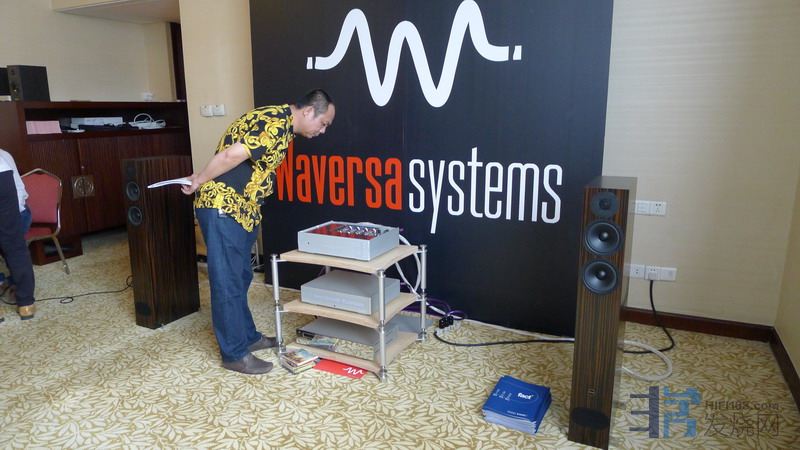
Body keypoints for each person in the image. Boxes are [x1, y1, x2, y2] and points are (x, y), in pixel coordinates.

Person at [182, 89, 335, 374]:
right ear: (308, 111)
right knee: (227, 280)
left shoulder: (279, 121)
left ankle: (248, 338)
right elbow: (231, 155)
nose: (322, 130)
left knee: (240, 275)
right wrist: (199, 180)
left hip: (242, 209)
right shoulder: (276, 123)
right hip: (224, 206)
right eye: (323, 123)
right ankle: (234, 354)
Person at [0, 149, 36, 321]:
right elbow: (20, 194)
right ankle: (26, 304)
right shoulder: (3, 155)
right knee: (15, 247)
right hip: (2, 174)